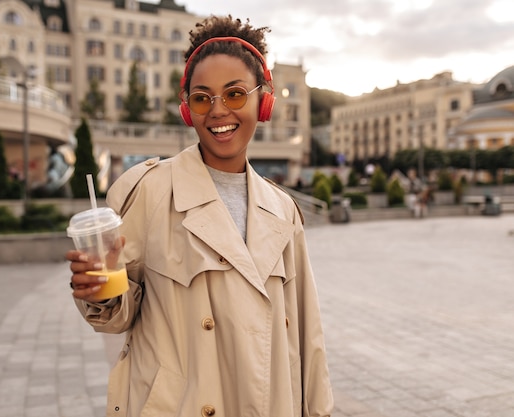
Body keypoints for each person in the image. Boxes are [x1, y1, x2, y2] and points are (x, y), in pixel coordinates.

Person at [66, 15, 334, 417]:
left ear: (263, 101)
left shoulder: (283, 210)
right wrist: (99, 289)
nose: (218, 111)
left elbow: (308, 332)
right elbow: (119, 316)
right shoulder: (149, 191)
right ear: (187, 109)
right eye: (202, 98)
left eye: (235, 94)